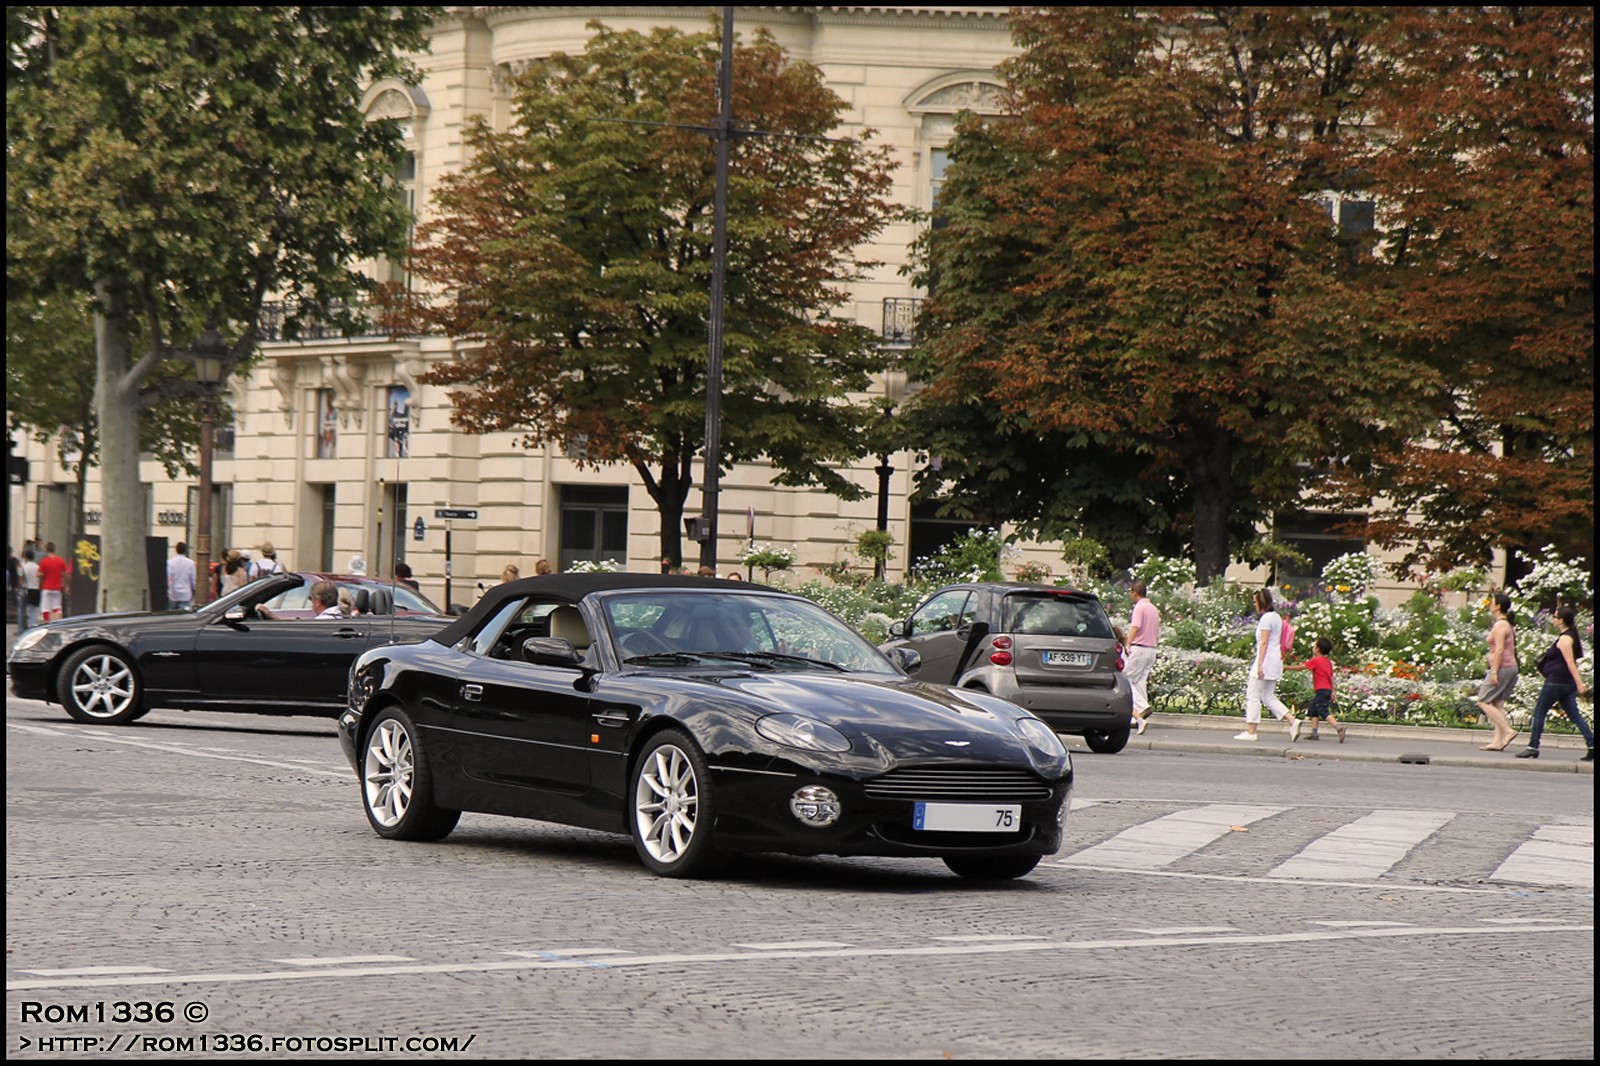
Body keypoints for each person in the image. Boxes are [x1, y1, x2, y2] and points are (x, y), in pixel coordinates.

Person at [1516, 605, 1594, 762]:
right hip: (1565, 683)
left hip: (1556, 682)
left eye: (1555, 617)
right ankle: (1592, 744)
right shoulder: (1570, 635)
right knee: (1574, 714)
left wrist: (1579, 683)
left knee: (1539, 712)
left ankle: (1533, 747)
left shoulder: (1565, 639)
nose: (1553, 619)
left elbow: (1570, 662)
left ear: (1562, 621)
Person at [1236, 588, 1301, 742]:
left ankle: (1251, 732)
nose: (1254, 604)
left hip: (1265, 661)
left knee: (1253, 695)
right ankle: (1292, 720)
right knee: (1268, 696)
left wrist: (1259, 665)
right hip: (1276, 660)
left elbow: (1264, 642)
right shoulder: (1277, 617)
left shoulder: (1265, 619)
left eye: (1255, 601)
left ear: (1260, 602)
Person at [1474, 592, 1520, 751]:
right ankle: (1497, 741)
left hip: (1502, 668)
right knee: (1497, 703)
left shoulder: (1501, 625)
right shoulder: (1505, 624)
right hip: (1509, 667)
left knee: (1482, 701)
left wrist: (1494, 672)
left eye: (1492, 602)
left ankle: (1508, 731)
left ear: (1498, 606)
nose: (1489, 604)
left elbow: (1499, 649)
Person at [1285, 635, 1347, 743]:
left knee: (1323, 711)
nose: (1313, 647)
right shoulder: (1327, 661)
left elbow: (1301, 667)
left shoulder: (1316, 660)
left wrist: (1285, 667)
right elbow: (1331, 677)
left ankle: (1339, 728)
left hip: (1321, 690)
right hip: (1326, 689)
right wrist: (1333, 691)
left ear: (1317, 649)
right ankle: (1314, 733)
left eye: (1314, 645)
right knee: (1313, 710)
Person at [1125, 580, 1160, 736]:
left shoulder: (1139, 607)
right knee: (1139, 682)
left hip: (1139, 648)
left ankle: (1142, 708)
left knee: (1126, 680)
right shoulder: (1153, 608)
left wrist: (1127, 643)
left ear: (1134, 593)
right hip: (1151, 649)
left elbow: (1136, 626)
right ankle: (1138, 717)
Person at [37, 541, 69, 622]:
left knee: (45, 608)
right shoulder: (60, 561)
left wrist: (44, 575)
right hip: (57, 588)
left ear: (46, 550)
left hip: (47, 587)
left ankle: (46, 624)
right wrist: (66, 585)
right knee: (56, 607)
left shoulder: (44, 561)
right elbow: (66, 573)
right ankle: (57, 623)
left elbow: (39, 574)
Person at [167, 542, 197, 611]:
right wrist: (194, 591)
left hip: (173, 593)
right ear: (186, 550)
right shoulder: (191, 563)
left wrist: (168, 590)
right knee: (185, 617)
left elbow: (167, 577)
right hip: (186, 594)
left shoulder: (170, 562)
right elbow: (193, 579)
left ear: (176, 550)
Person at [21, 546, 41, 629]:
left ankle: (31, 625)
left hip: (29, 588)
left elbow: (22, 579)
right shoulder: (37, 566)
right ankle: (35, 624)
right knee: (37, 609)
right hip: (37, 588)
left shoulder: (24, 567)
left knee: (30, 609)